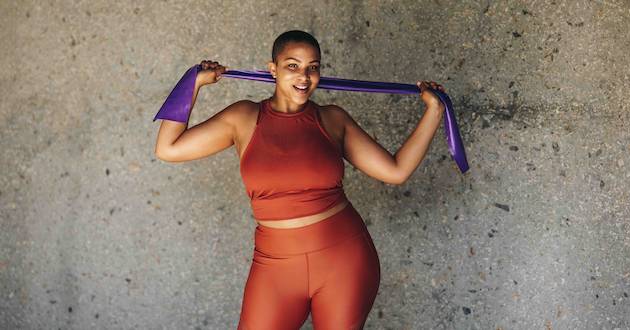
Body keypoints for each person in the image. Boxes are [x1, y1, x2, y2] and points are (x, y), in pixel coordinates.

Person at [154, 30, 445, 330]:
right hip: (275, 266)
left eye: (313, 67)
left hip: (343, 258)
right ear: (273, 69)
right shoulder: (243, 117)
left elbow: (395, 171)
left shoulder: (332, 119)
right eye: (292, 66)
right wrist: (193, 84)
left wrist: (434, 111)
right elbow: (168, 148)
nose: (304, 76)